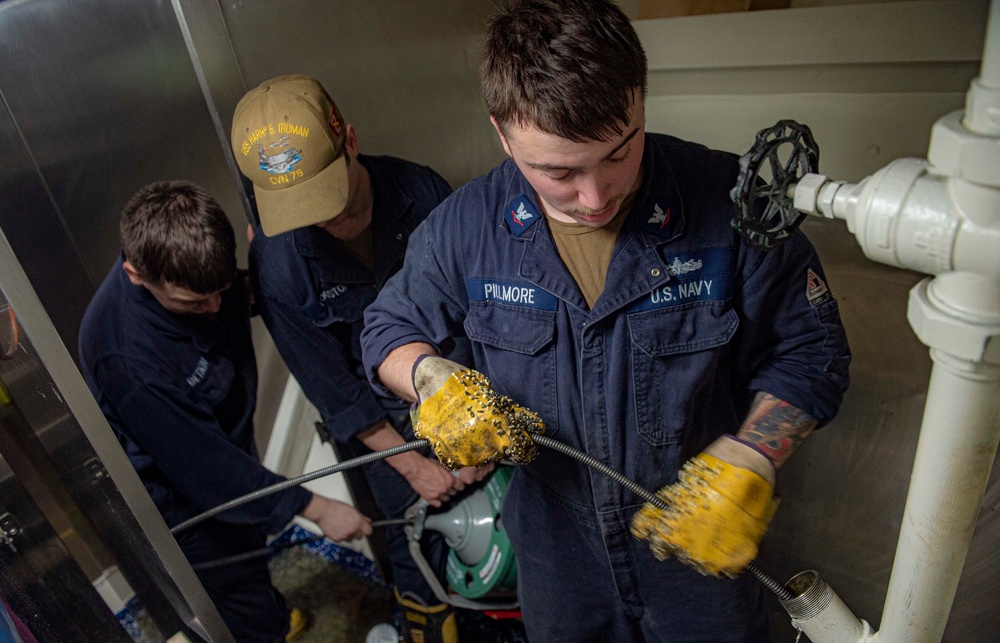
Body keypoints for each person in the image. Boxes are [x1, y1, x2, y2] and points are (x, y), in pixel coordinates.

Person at [360, 1, 851, 641]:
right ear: (503, 135)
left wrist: (755, 454)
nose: (595, 197)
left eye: (619, 154)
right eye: (557, 172)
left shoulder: (731, 206)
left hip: (693, 540)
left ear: (640, 102)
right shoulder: (466, 228)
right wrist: (429, 377)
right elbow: (386, 331)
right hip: (555, 553)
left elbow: (811, 352)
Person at [230, 75, 491, 643]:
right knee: (413, 544)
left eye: (323, 193)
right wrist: (417, 467)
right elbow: (336, 392)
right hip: (379, 427)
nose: (315, 219)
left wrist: (475, 430)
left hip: (453, 389)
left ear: (348, 140)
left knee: (501, 518)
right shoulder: (279, 265)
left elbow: (474, 319)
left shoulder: (422, 193)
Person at [78, 181, 372, 643]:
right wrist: (313, 507)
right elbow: (205, 468)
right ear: (136, 273)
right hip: (183, 502)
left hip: (225, 446)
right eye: (193, 303)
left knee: (253, 553)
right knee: (242, 604)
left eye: (221, 291)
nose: (216, 308)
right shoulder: (125, 357)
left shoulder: (201, 268)